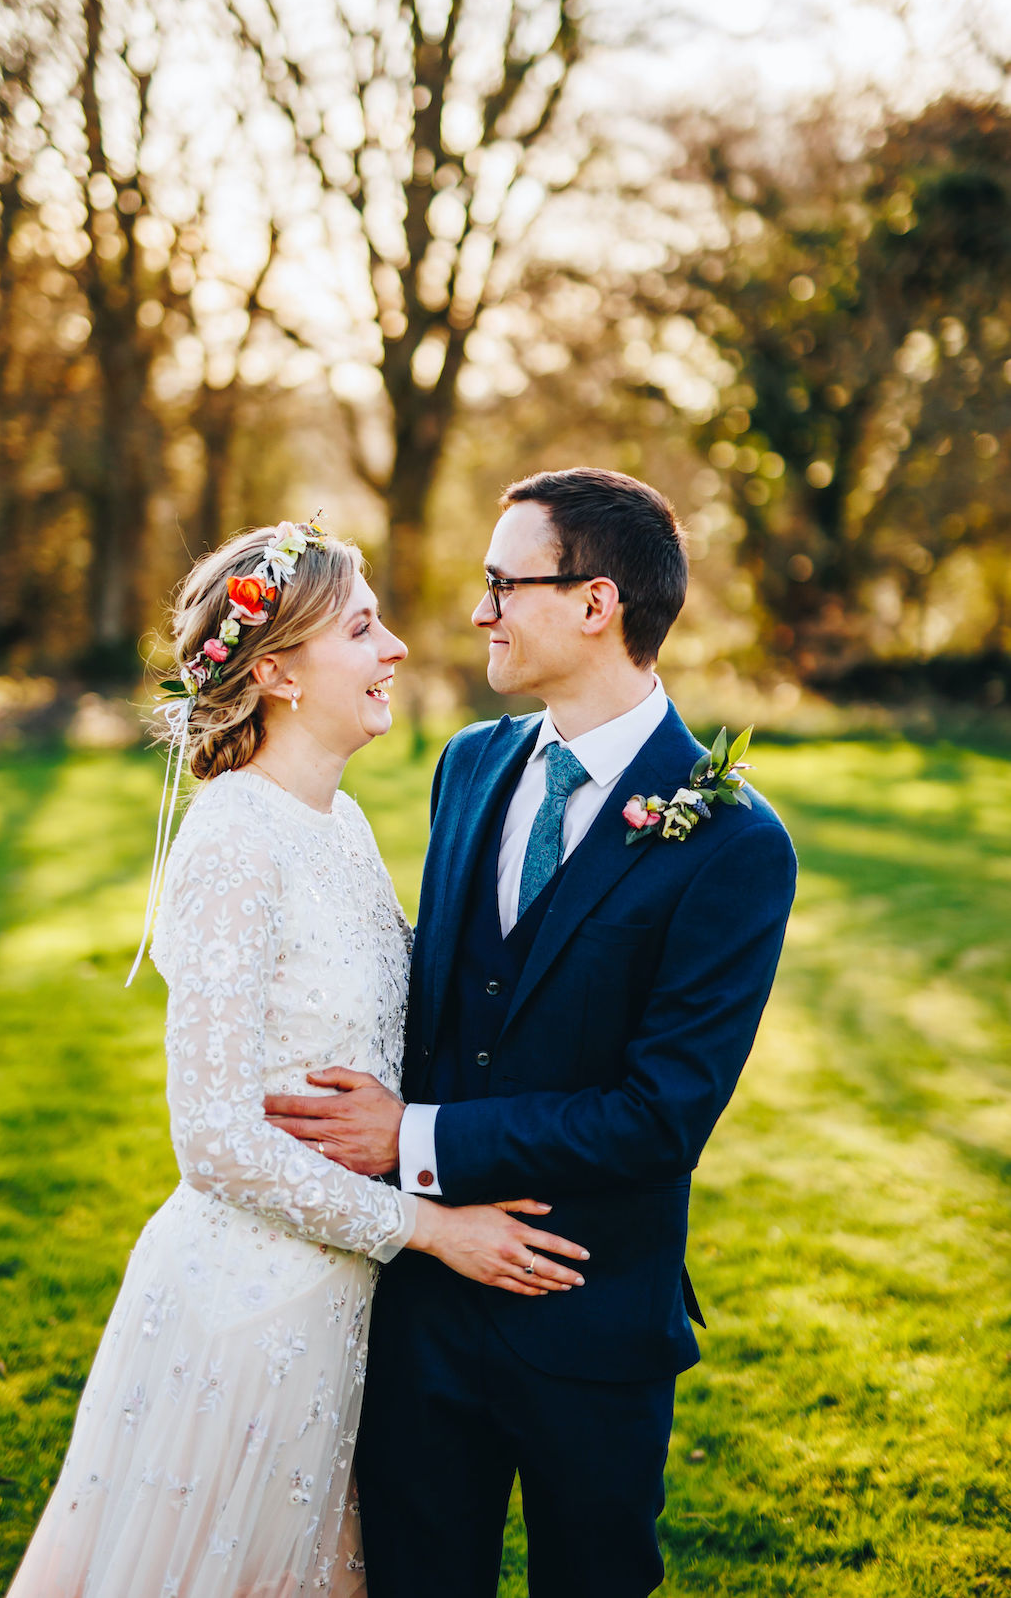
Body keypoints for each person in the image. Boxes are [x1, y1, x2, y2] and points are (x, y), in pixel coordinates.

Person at [6, 520, 588, 1598]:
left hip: (339, 1317)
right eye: (364, 628)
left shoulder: (342, 822)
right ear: (275, 672)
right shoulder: (232, 840)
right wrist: (429, 1226)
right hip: (240, 1313)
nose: (398, 650)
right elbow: (214, 1139)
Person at [264, 471, 798, 1597]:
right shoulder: (468, 765)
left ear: (595, 602)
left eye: (504, 583)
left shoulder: (733, 841)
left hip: (589, 1312)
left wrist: (410, 1138)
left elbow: (659, 1119)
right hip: (419, 1314)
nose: (479, 611)